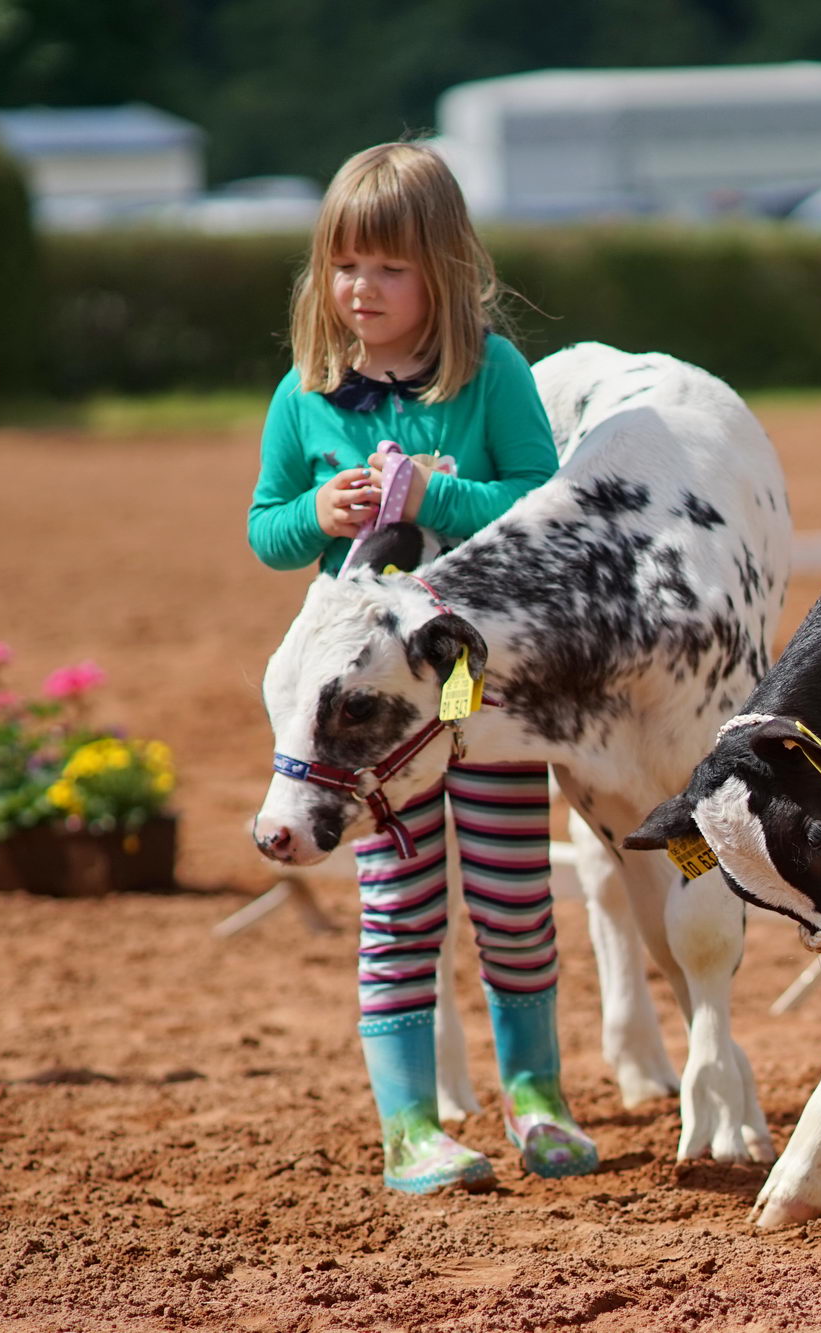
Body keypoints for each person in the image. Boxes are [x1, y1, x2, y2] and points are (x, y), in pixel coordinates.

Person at [247, 141, 595, 1194]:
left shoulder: (491, 373)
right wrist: (319, 510)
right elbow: (267, 533)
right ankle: (409, 1125)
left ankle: (537, 1098)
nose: (362, 289)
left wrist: (439, 496)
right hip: (367, 714)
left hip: (475, 689)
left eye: (389, 268)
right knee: (399, 899)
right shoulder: (304, 396)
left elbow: (543, 501)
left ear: (441, 271)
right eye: (345, 265)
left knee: (511, 890)